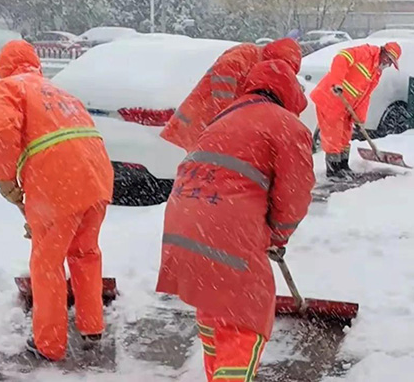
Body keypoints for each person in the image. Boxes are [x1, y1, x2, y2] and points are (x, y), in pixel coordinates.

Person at [156, 44, 315, 382]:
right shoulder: (286, 125)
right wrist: (278, 235)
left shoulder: (222, 117)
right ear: (291, 95)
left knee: (214, 308)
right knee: (245, 322)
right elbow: (295, 195)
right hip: (228, 228)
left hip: (182, 222)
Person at [0, 40, 114, 361]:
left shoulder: (8, 88)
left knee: (47, 263)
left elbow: (1, 130)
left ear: (3, 68)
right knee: (85, 252)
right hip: (97, 176)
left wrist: (4, 178)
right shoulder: (56, 91)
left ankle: (49, 345)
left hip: (59, 182)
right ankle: (91, 326)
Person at [160, 38, 302, 152]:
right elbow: (224, 74)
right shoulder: (247, 54)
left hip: (211, 125)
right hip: (203, 120)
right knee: (207, 172)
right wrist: (227, 119)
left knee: (208, 173)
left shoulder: (260, 65)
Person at [310, 42, 402, 179]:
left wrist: (359, 119)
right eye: (388, 59)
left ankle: (343, 165)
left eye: (390, 63)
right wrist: (337, 82)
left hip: (346, 107)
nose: (387, 64)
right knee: (333, 136)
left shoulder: (376, 72)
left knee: (345, 136)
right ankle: (333, 170)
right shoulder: (366, 53)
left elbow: (364, 97)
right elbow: (341, 58)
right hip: (331, 99)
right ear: (383, 52)